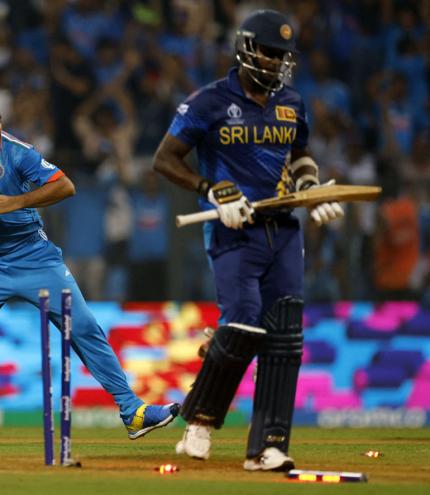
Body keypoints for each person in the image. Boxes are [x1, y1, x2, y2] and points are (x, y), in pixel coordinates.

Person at [0, 64, 179, 448]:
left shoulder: (17, 153)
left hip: (34, 258)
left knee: (86, 328)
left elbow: (65, 186)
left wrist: (17, 201)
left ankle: (133, 411)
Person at [152, 10, 344, 471]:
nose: (278, 63)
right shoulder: (209, 102)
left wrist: (311, 189)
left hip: (284, 228)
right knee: (241, 326)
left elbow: (299, 155)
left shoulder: (293, 102)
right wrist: (210, 189)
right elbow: (165, 159)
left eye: (284, 56)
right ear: (246, 49)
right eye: (270, 53)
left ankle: (267, 446)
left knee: (285, 338)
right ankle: (198, 420)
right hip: (233, 227)